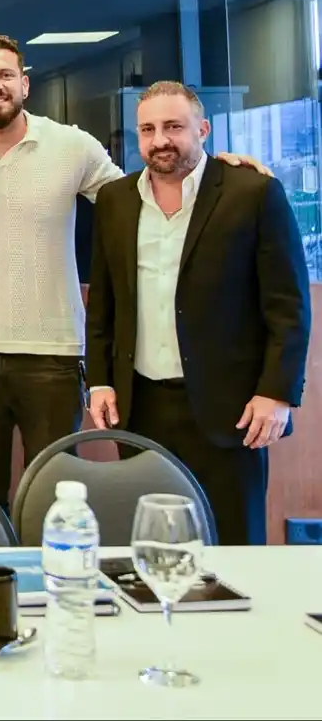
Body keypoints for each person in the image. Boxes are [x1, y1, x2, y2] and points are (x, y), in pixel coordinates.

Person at [0, 33, 269, 508]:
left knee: (52, 500)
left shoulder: (72, 147)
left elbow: (141, 193)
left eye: (5, 75)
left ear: (25, 84)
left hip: (53, 358)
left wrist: (215, 167)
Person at [86, 82, 309, 545]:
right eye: (147, 129)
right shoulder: (116, 200)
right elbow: (105, 302)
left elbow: (288, 306)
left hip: (230, 408)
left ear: (203, 129)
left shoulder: (253, 193)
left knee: (233, 544)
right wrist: (101, 380)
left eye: (173, 126)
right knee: (152, 545)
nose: (160, 140)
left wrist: (277, 393)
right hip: (142, 403)